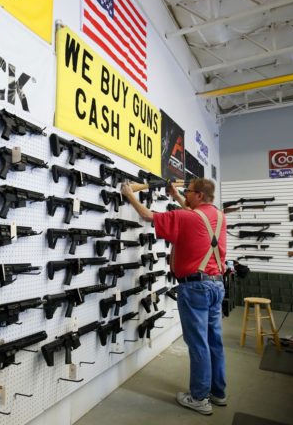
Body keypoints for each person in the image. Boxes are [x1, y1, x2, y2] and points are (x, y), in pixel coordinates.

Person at [121, 178, 227, 416]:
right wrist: (177, 197)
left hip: (195, 289)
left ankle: (199, 398)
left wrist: (129, 194)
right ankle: (218, 393)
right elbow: (195, 216)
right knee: (214, 342)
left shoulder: (185, 216)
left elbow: (149, 216)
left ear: (199, 195)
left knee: (198, 343)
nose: (184, 194)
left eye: (188, 192)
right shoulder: (219, 217)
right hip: (216, 285)